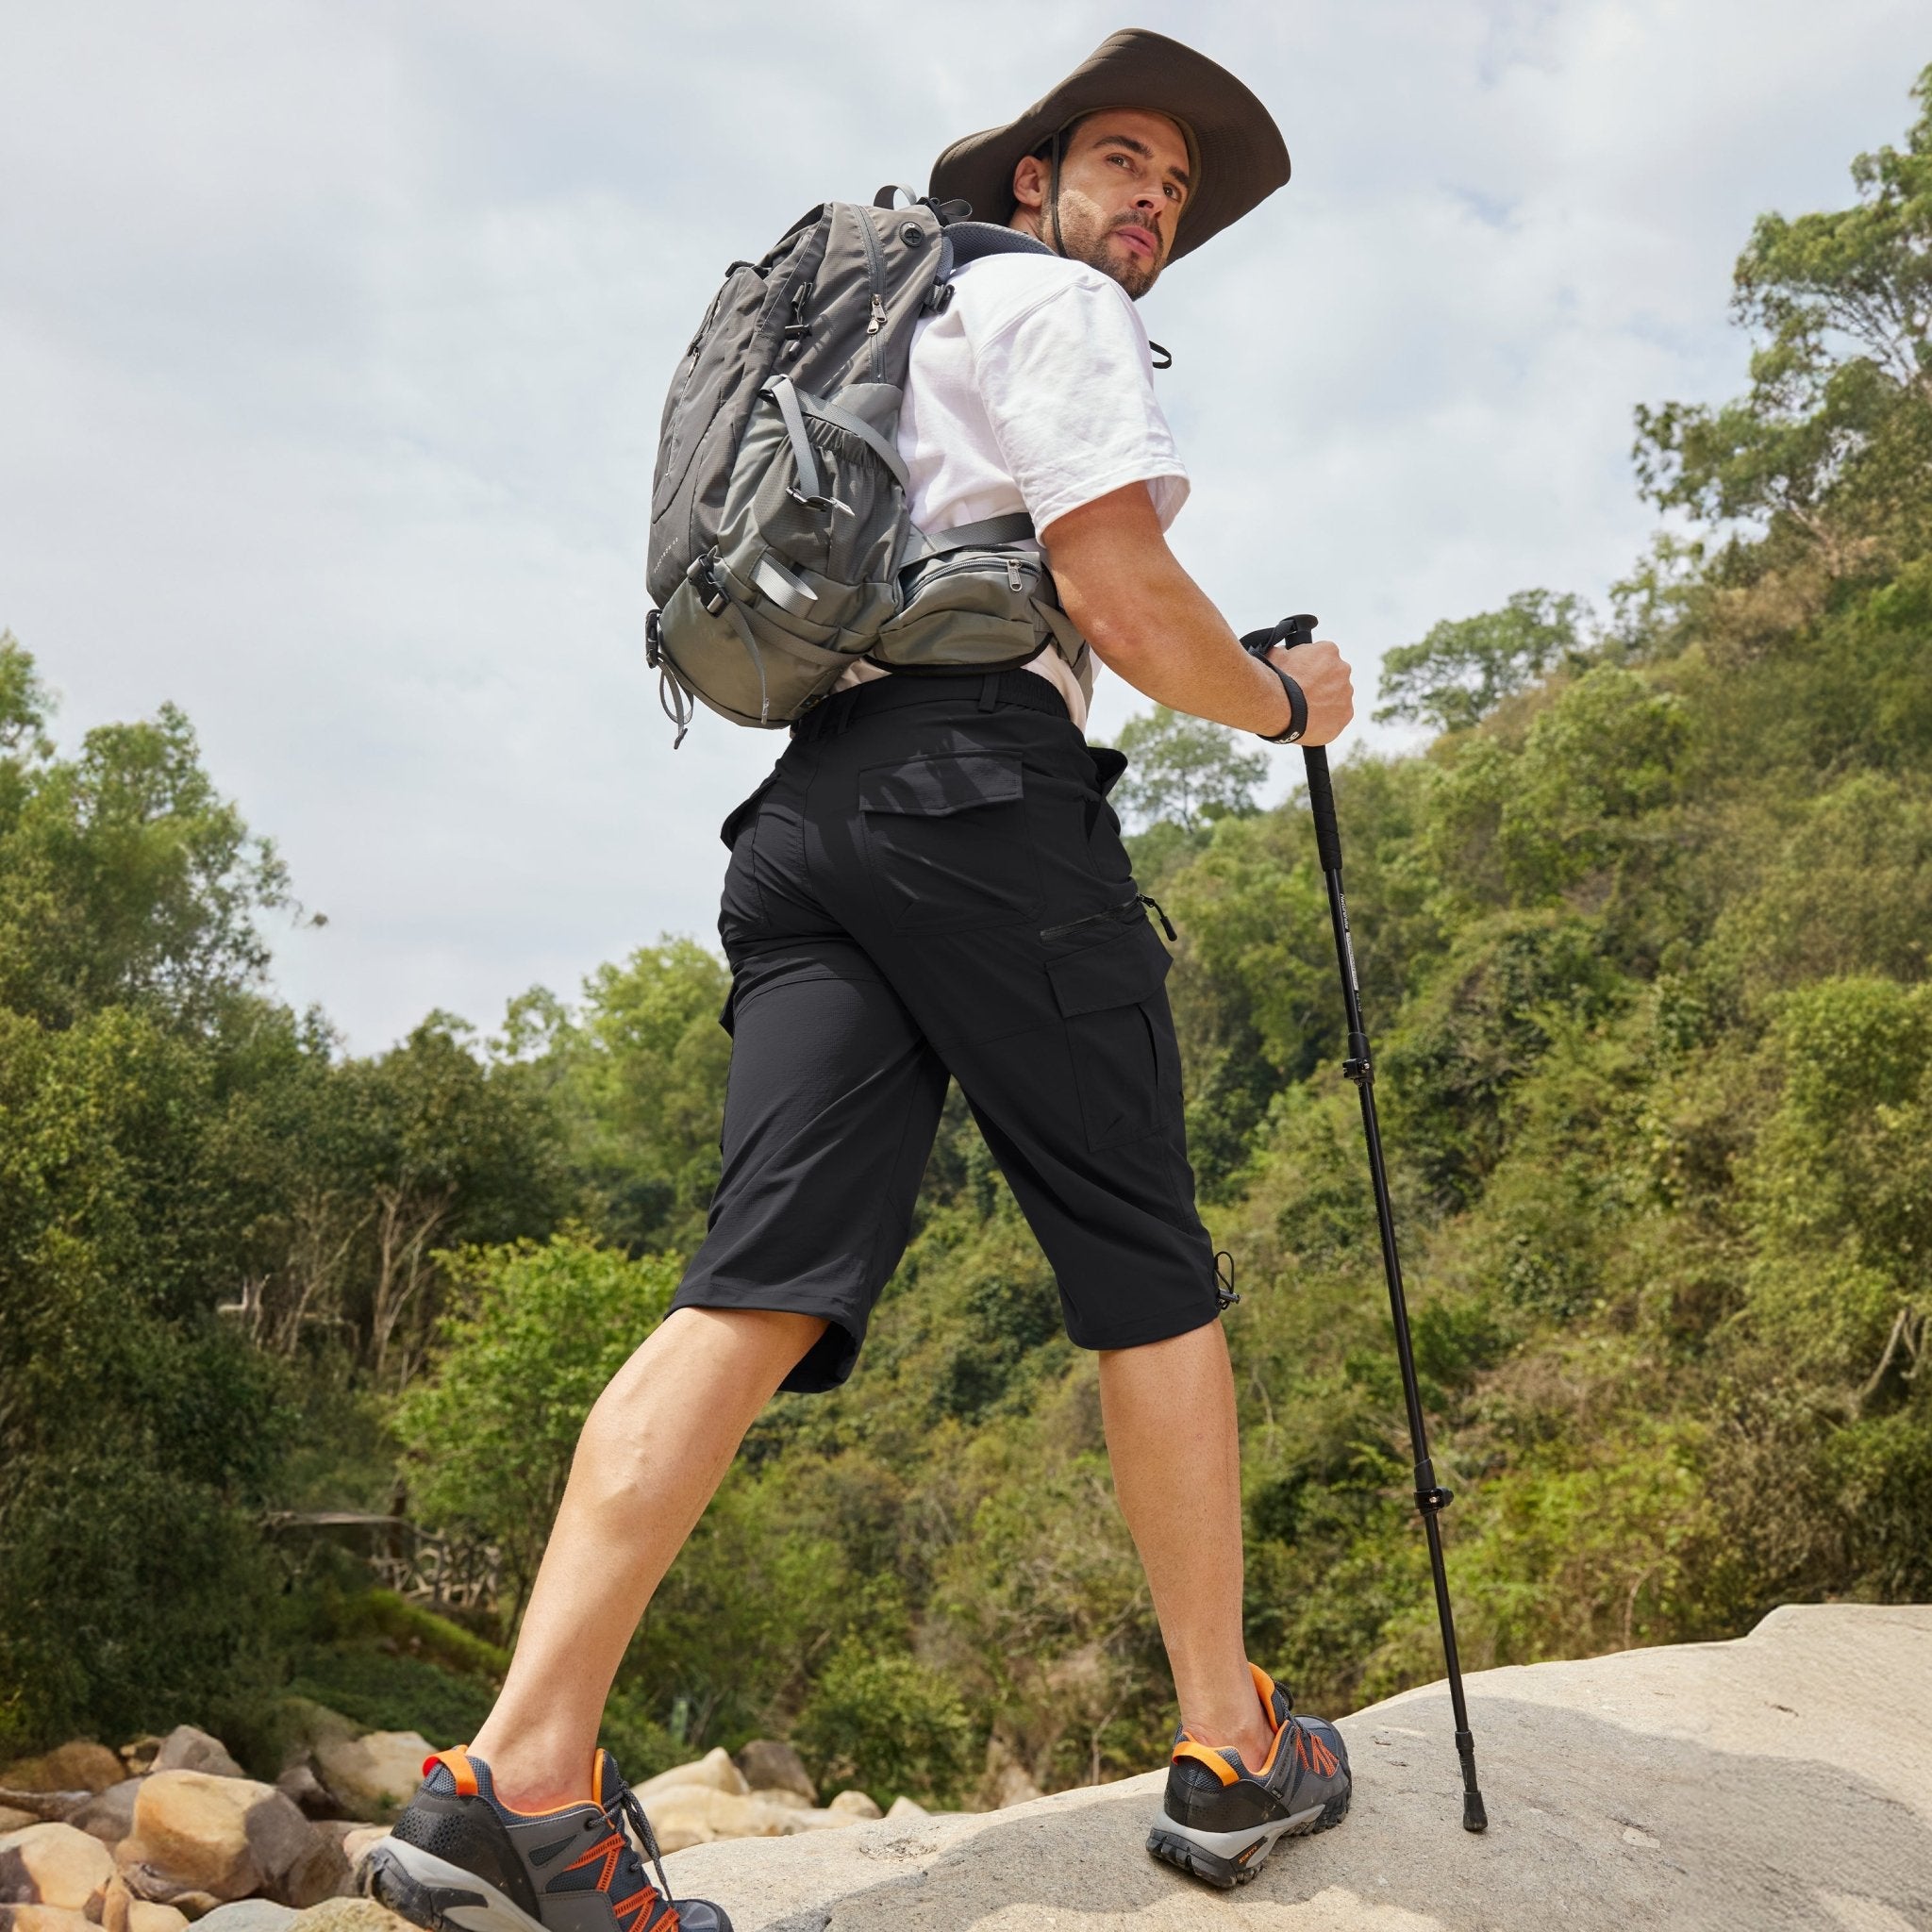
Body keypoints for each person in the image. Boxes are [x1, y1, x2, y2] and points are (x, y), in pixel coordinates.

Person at [368, 30, 1356, 1932]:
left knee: (746, 1285)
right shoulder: (1049, 305)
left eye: (1176, 189)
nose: (1152, 200)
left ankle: (518, 1773)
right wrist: (1281, 701)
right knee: (1147, 1261)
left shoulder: (901, 335)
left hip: (812, 819)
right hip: (985, 797)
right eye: (1122, 160)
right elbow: (1123, 594)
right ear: (1029, 186)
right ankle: (1233, 1745)